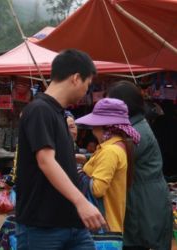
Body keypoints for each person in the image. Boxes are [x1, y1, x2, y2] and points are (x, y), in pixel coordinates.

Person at [14, 49, 105, 249]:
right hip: (42, 226)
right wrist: (81, 201)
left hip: (72, 223)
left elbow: (58, 160)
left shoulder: (58, 114)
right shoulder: (39, 110)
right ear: (76, 78)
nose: (86, 92)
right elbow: (46, 161)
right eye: (87, 85)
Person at [107, 82, 172, 250]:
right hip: (143, 196)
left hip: (144, 200)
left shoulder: (137, 132)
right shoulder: (134, 126)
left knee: (141, 243)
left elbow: (112, 161)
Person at [74, 98, 139, 234]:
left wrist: (77, 170)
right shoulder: (116, 146)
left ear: (105, 127)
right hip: (109, 225)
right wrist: (86, 160)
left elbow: (97, 189)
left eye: (95, 125)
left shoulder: (110, 151)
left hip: (102, 226)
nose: (92, 129)